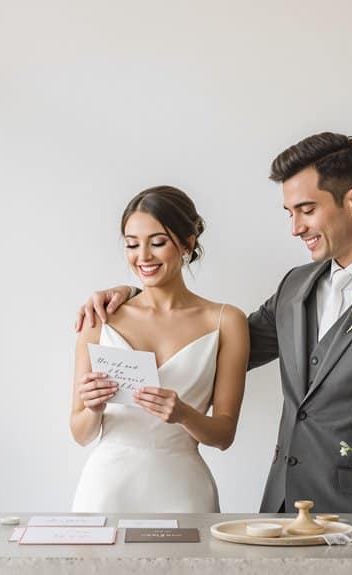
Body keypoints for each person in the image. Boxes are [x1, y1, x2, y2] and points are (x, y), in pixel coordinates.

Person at [75, 133, 352, 513]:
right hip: (281, 514)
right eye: (290, 212)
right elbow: (215, 347)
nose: (295, 227)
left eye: (306, 210)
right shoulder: (295, 286)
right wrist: (133, 296)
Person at [70, 185, 249, 513]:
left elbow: (223, 435)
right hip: (106, 490)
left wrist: (184, 414)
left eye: (157, 242)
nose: (143, 257)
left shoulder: (226, 321)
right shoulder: (100, 319)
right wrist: (93, 408)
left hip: (184, 491)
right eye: (132, 244)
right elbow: (80, 433)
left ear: (187, 243)